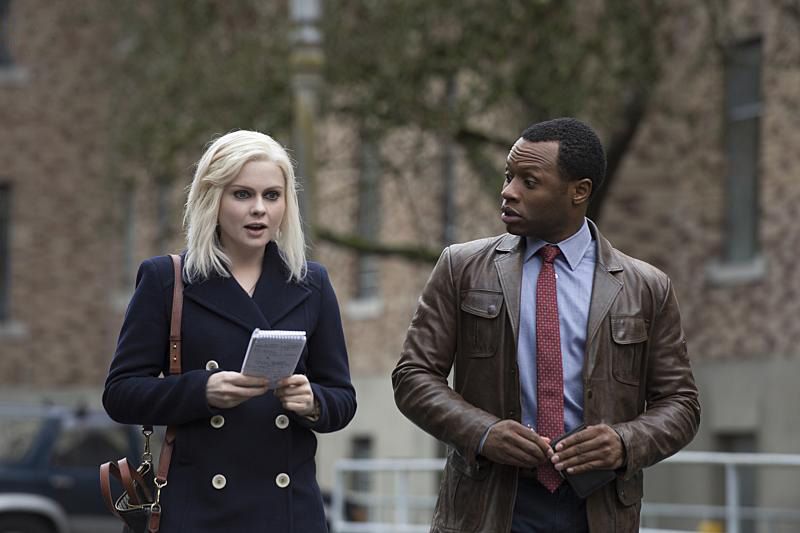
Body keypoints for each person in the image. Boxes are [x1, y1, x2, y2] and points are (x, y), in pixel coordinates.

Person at [392, 117, 700, 533]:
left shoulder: (646, 287)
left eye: (528, 182)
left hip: (598, 510)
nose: (508, 191)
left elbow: (681, 404)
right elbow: (412, 377)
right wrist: (484, 432)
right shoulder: (462, 268)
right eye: (508, 176)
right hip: (488, 505)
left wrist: (625, 442)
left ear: (579, 192)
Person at [104, 130, 356, 532]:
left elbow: (343, 399)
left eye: (272, 196)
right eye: (242, 195)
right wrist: (202, 391)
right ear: (213, 198)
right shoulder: (167, 280)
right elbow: (119, 394)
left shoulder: (312, 284)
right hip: (198, 511)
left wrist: (312, 401)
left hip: (289, 514)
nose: (259, 209)